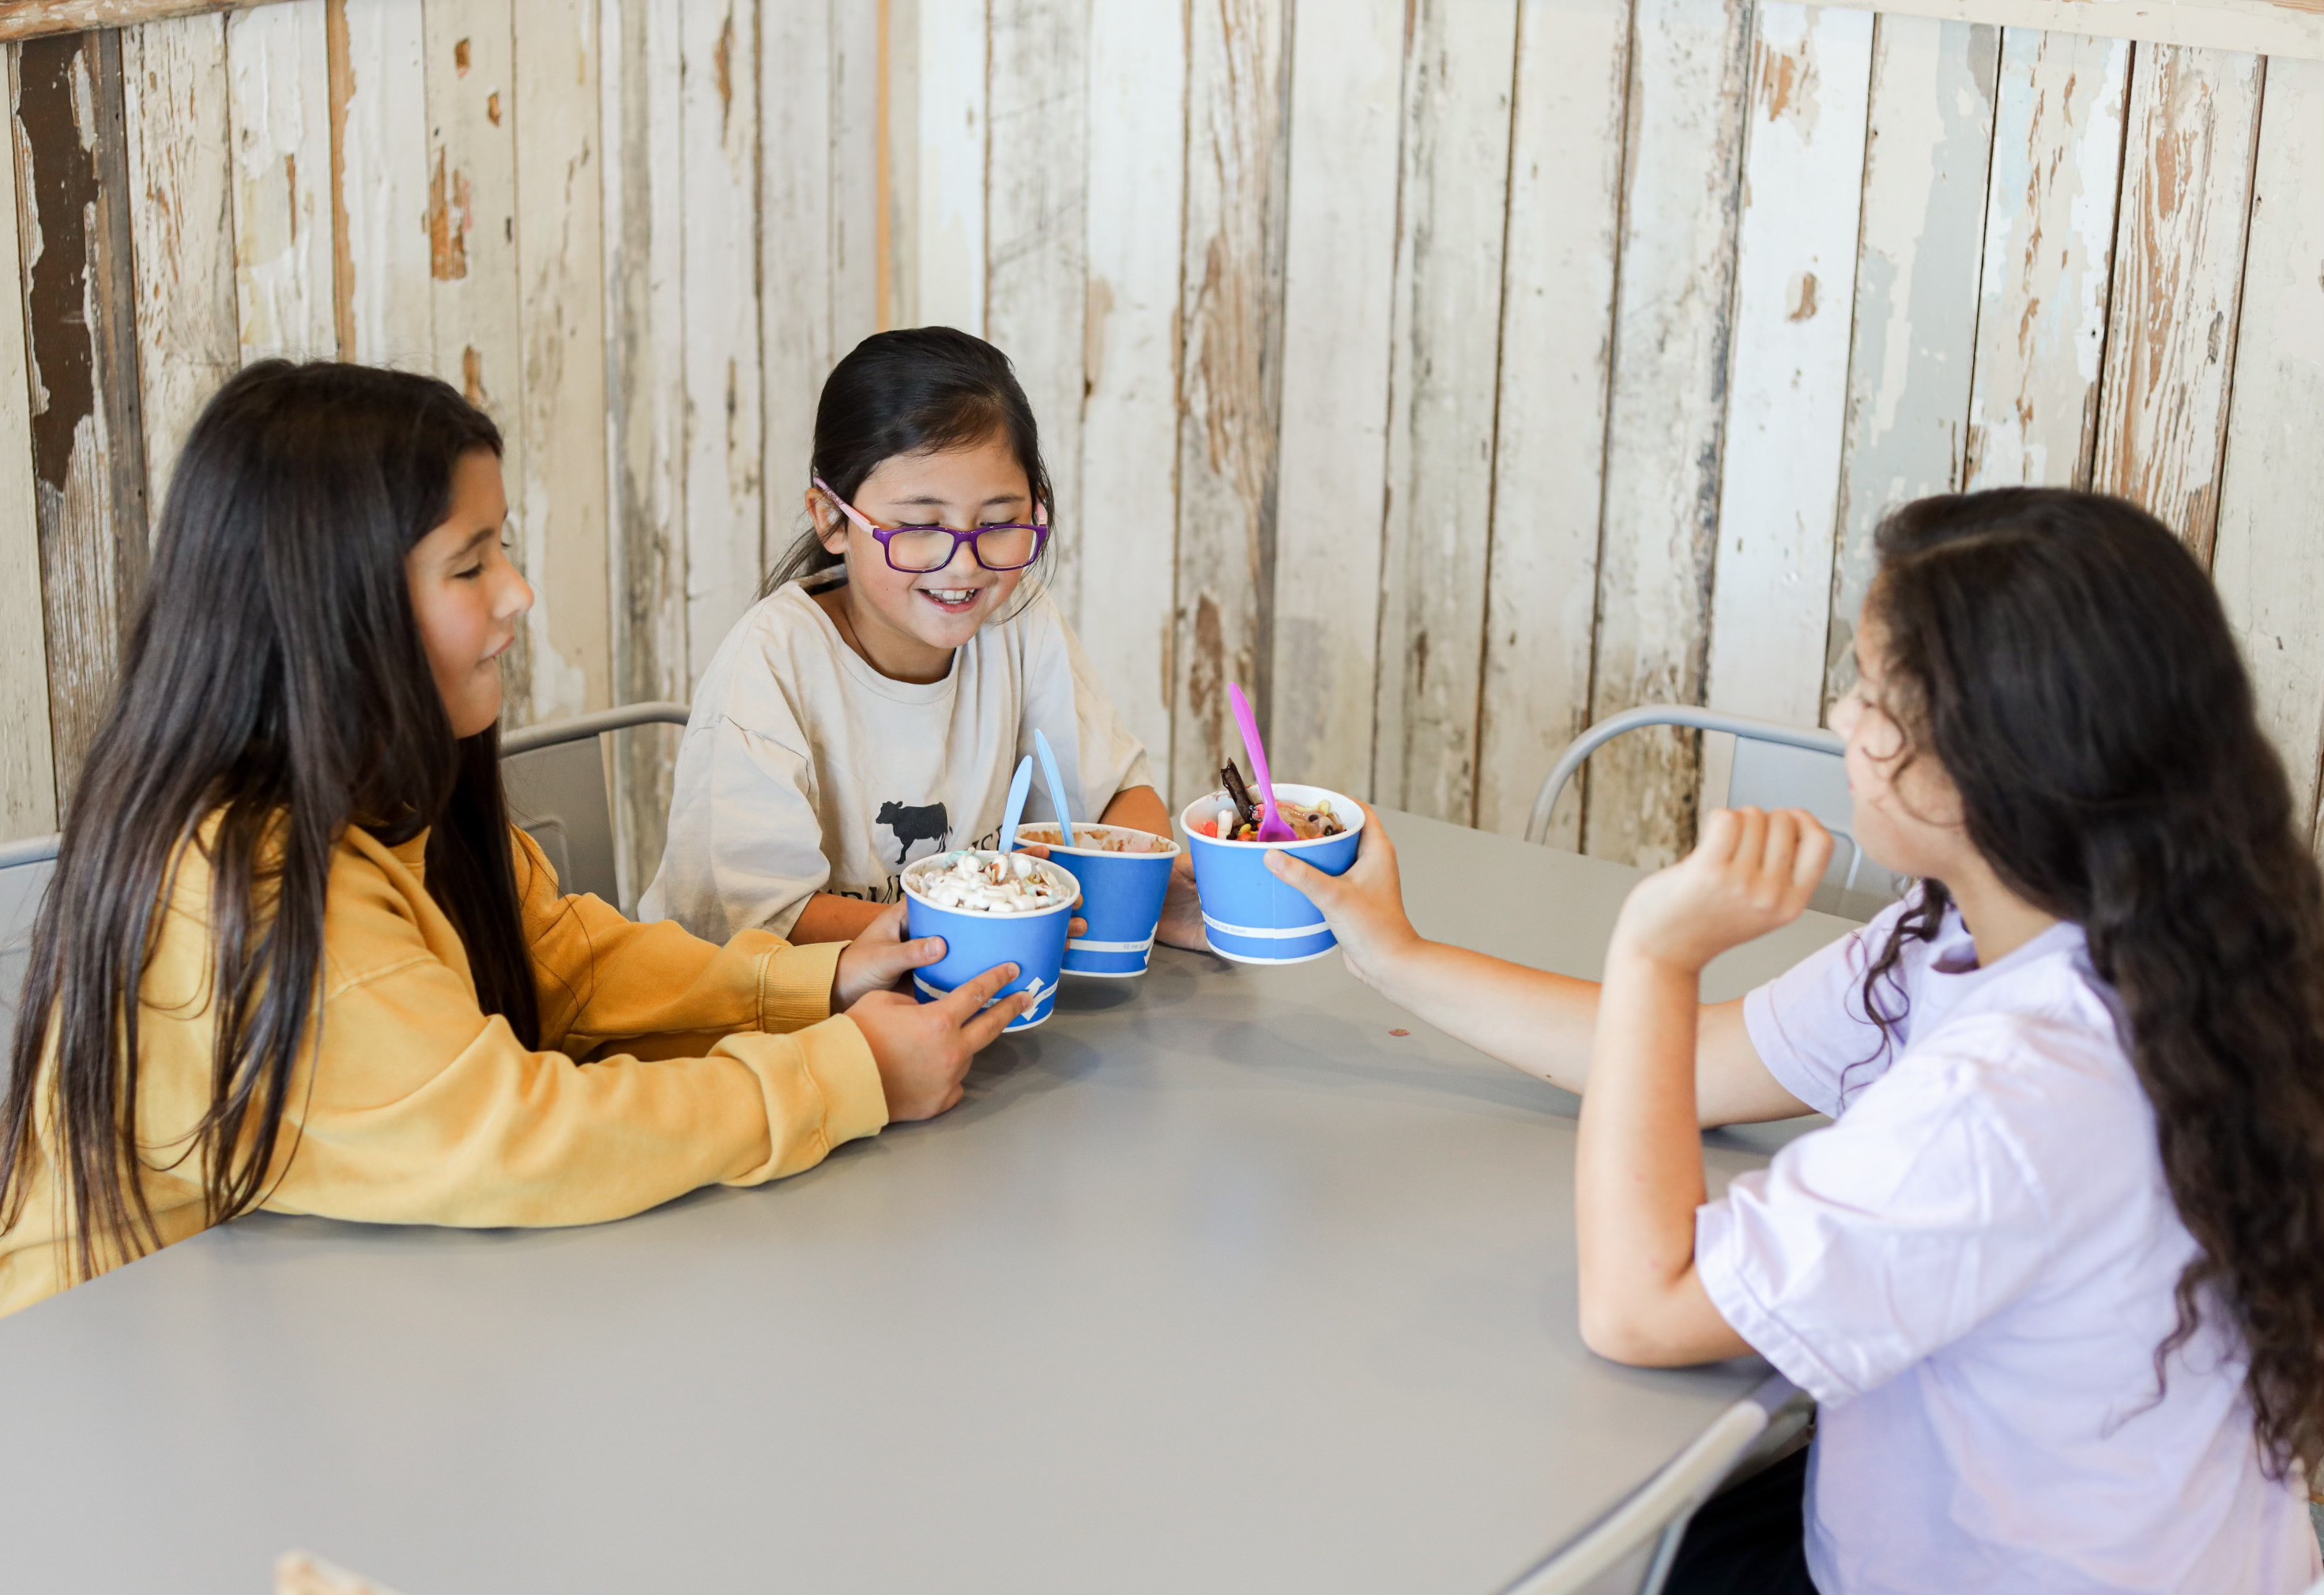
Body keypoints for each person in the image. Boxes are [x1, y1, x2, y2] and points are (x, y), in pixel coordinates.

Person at [1271, 488, 2324, 1593]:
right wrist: (1395, 954)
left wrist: (1655, 955)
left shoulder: (2015, 1093)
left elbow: (1639, 1305)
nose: (1837, 718)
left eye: (1870, 695)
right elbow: (1698, 1067)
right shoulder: (2060, 933)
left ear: (1978, 762)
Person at [0, 361, 1028, 1320]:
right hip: (112, 1369)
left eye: (505, 549)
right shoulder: (257, 884)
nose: (518, 594)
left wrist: (820, 983)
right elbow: (521, 1135)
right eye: (469, 563)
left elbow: (563, 964)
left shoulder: (394, 793)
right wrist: (846, 1076)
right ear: (332, 607)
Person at [639, 326, 1196, 945]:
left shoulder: (1018, 619)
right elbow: (753, 923)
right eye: (920, 525)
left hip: (970, 991)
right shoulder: (771, 666)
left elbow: (1115, 795)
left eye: (998, 522)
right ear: (831, 519)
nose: (963, 564)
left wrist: (1143, 882)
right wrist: (981, 924)